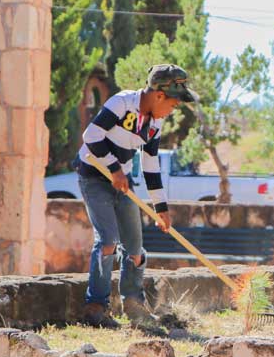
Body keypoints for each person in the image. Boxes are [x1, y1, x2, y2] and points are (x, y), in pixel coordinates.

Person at [78, 64, 198, 330]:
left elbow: (150, 163)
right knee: (108, 241)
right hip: (94, 175)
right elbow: (91, 136)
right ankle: (95, 307)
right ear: (158, 96)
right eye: (174, 103)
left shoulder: (155, 121)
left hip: (121, 181)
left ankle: (134, 304)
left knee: (135, 249)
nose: (173, 108)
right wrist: (113, 168)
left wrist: (161, 207)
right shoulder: (121, 104)